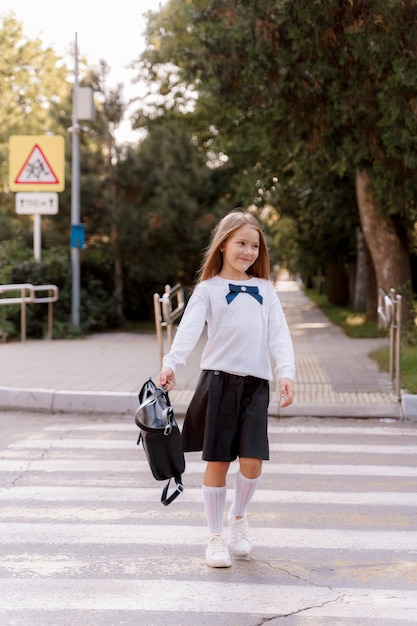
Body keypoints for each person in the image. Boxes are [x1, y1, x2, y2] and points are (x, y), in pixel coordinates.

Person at [157, 209, 295, 568]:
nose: (248, 251)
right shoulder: (208, 290)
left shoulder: (266, 290)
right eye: (241, 243)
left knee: (251, 461)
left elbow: (279, 334)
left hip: (255, 385)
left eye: (254, 245)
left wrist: (286, 373)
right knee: (218, 461)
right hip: (217, 383)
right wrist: (172, 363)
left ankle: (239, 517)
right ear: (223, 245)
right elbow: (188, 330)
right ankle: (214, 535)